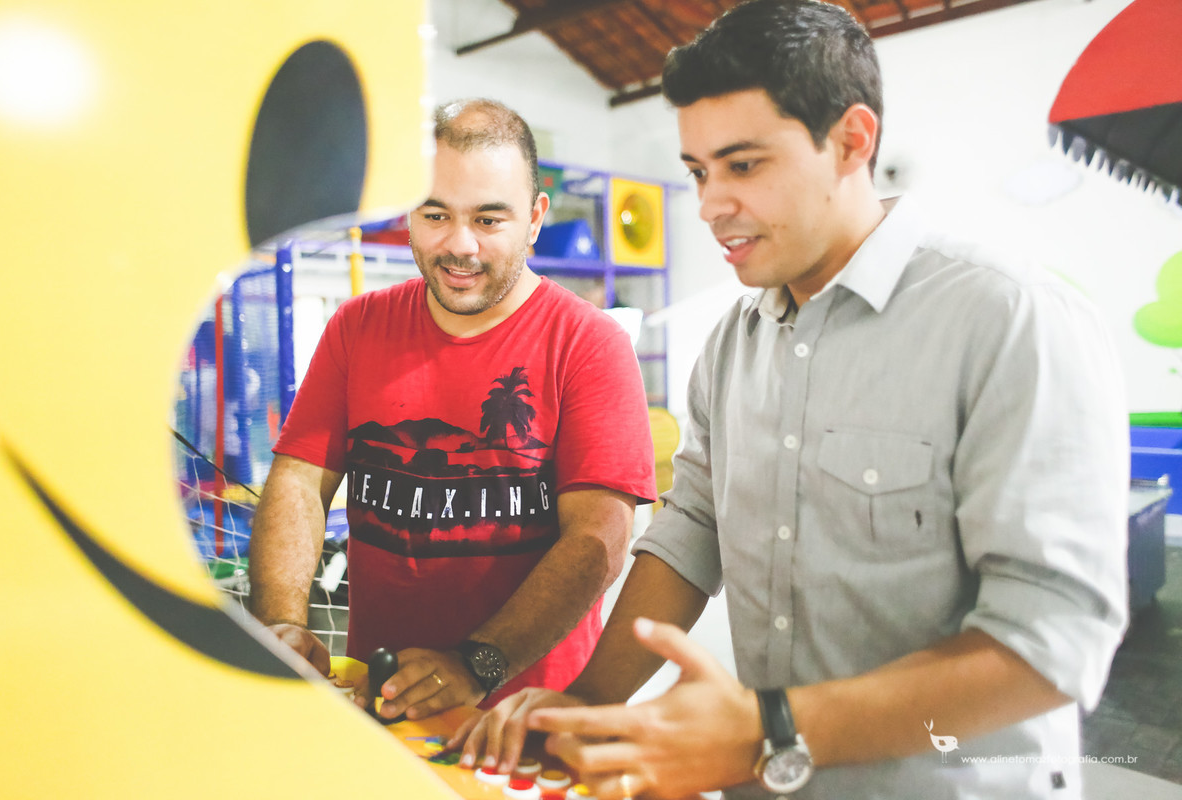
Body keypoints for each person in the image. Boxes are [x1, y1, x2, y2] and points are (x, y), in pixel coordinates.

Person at [451, 3, 1129, 798]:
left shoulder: (1010, 321)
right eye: (699, 172)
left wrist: (768, 728)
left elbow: (1052, 641)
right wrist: (590, 704)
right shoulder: (734, 344)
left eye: (744, 166)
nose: (708, 205)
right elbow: (690, 532)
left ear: (851, 141)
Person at [248, 98, 657, 721]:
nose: (459, 245)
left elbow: (598, 538)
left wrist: (477, 664)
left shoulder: (588, 343)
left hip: (524, 719)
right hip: (376, 696)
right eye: (435, 214)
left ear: (536, 217)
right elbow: (302, 478)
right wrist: (280, 621)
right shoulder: (357, 327)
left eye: (489, 220)